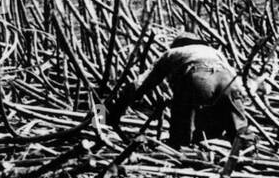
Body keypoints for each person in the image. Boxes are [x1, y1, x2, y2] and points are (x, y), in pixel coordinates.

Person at [108, 31, 252, 147]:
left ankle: (179, 145)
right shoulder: (213, 51)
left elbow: (142, 83)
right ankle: (247, 149)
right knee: (236, 122)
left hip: (198, 78)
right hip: (228, 80)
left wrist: (116, 110)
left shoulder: (173, 52)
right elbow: (236, 81)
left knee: (181, 107)